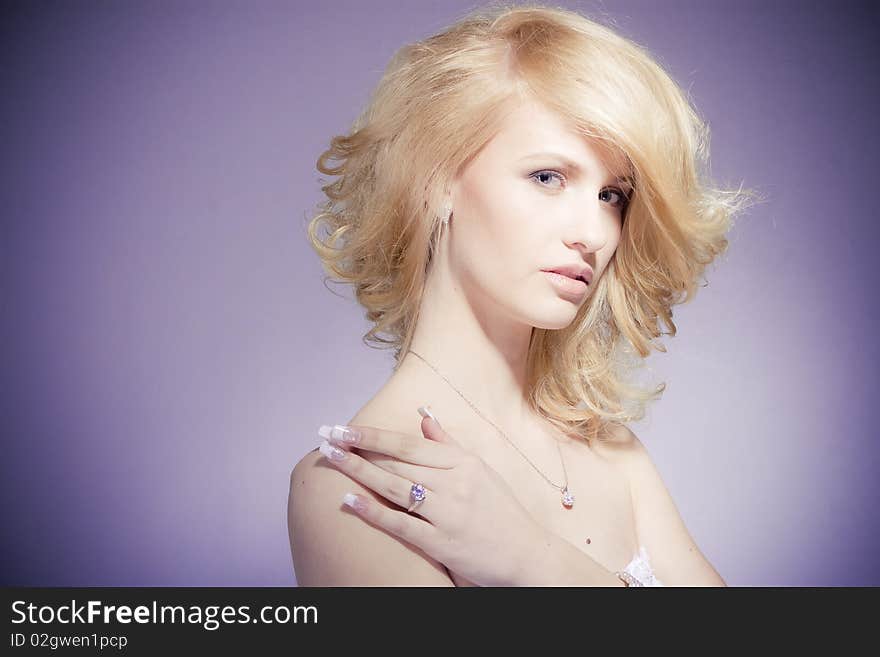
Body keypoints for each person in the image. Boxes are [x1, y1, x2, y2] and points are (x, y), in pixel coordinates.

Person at [287, 3, 755, 586]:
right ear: (436, 183)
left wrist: (533, 559)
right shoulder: (358, 490)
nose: (591, 233)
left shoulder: (614, 453)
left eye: (612, 195)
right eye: (548, 178)